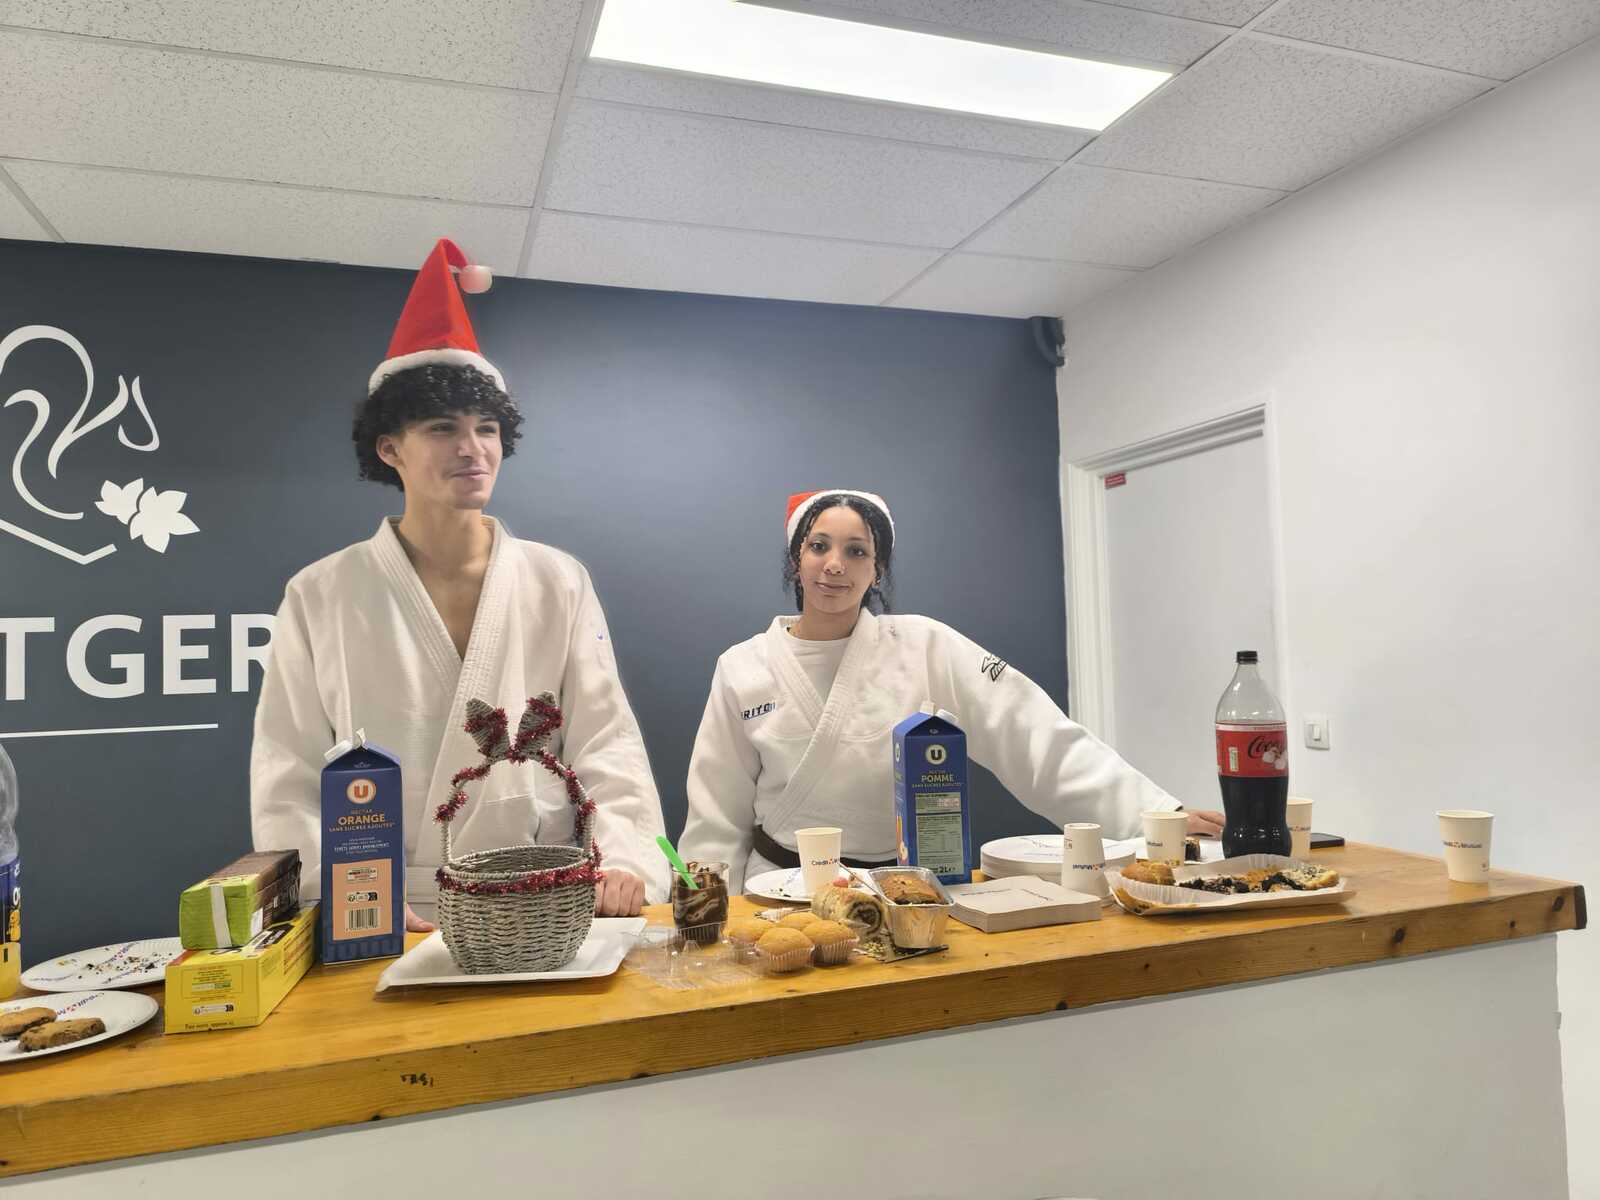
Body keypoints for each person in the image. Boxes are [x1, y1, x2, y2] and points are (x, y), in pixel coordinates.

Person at [251, 238, 666, 926]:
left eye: (487, 428)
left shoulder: (556, 580)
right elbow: (288, 765)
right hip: (390, 906)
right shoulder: (321, 592)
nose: (473, 448)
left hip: (548, 892)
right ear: (390, 448)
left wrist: (624, 856)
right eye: (444, 428)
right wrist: (344, 891)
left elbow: (604, 735)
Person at [680, 489, 1223, 891]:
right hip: (779, 890)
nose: (835, 565)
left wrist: (1156, 815)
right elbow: (716, 810)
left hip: (903, 889)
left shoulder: (926, 645)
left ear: (878, 569)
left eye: (857, 551)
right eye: (819, 546)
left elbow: (1034, 734)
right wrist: (702, 909)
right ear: (796, 559)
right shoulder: (742, 667)